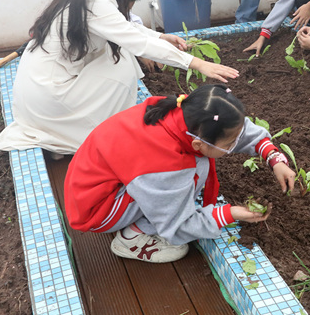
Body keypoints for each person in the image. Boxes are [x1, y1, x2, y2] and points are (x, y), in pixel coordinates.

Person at [0, 0, 237, 156]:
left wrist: (160, 37)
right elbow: (135, 42)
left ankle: (81, 132)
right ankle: (99, 135)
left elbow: (124, 27)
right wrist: (196, 63)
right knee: (122, 63)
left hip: (36, 95)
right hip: (49, 100)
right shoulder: (94, 2)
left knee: (118, 53)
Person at [64, 85, 296, 263]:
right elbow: (179, 226)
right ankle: (131, 238)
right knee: (197, 170)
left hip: (96, 180)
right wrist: (230, 213)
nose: (234, 145)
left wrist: (273, 156)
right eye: (229, 144)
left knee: (193, 171)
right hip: (97, 208)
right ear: (198, 144)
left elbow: (235, 128)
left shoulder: (183, 113)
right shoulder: (164, 164)